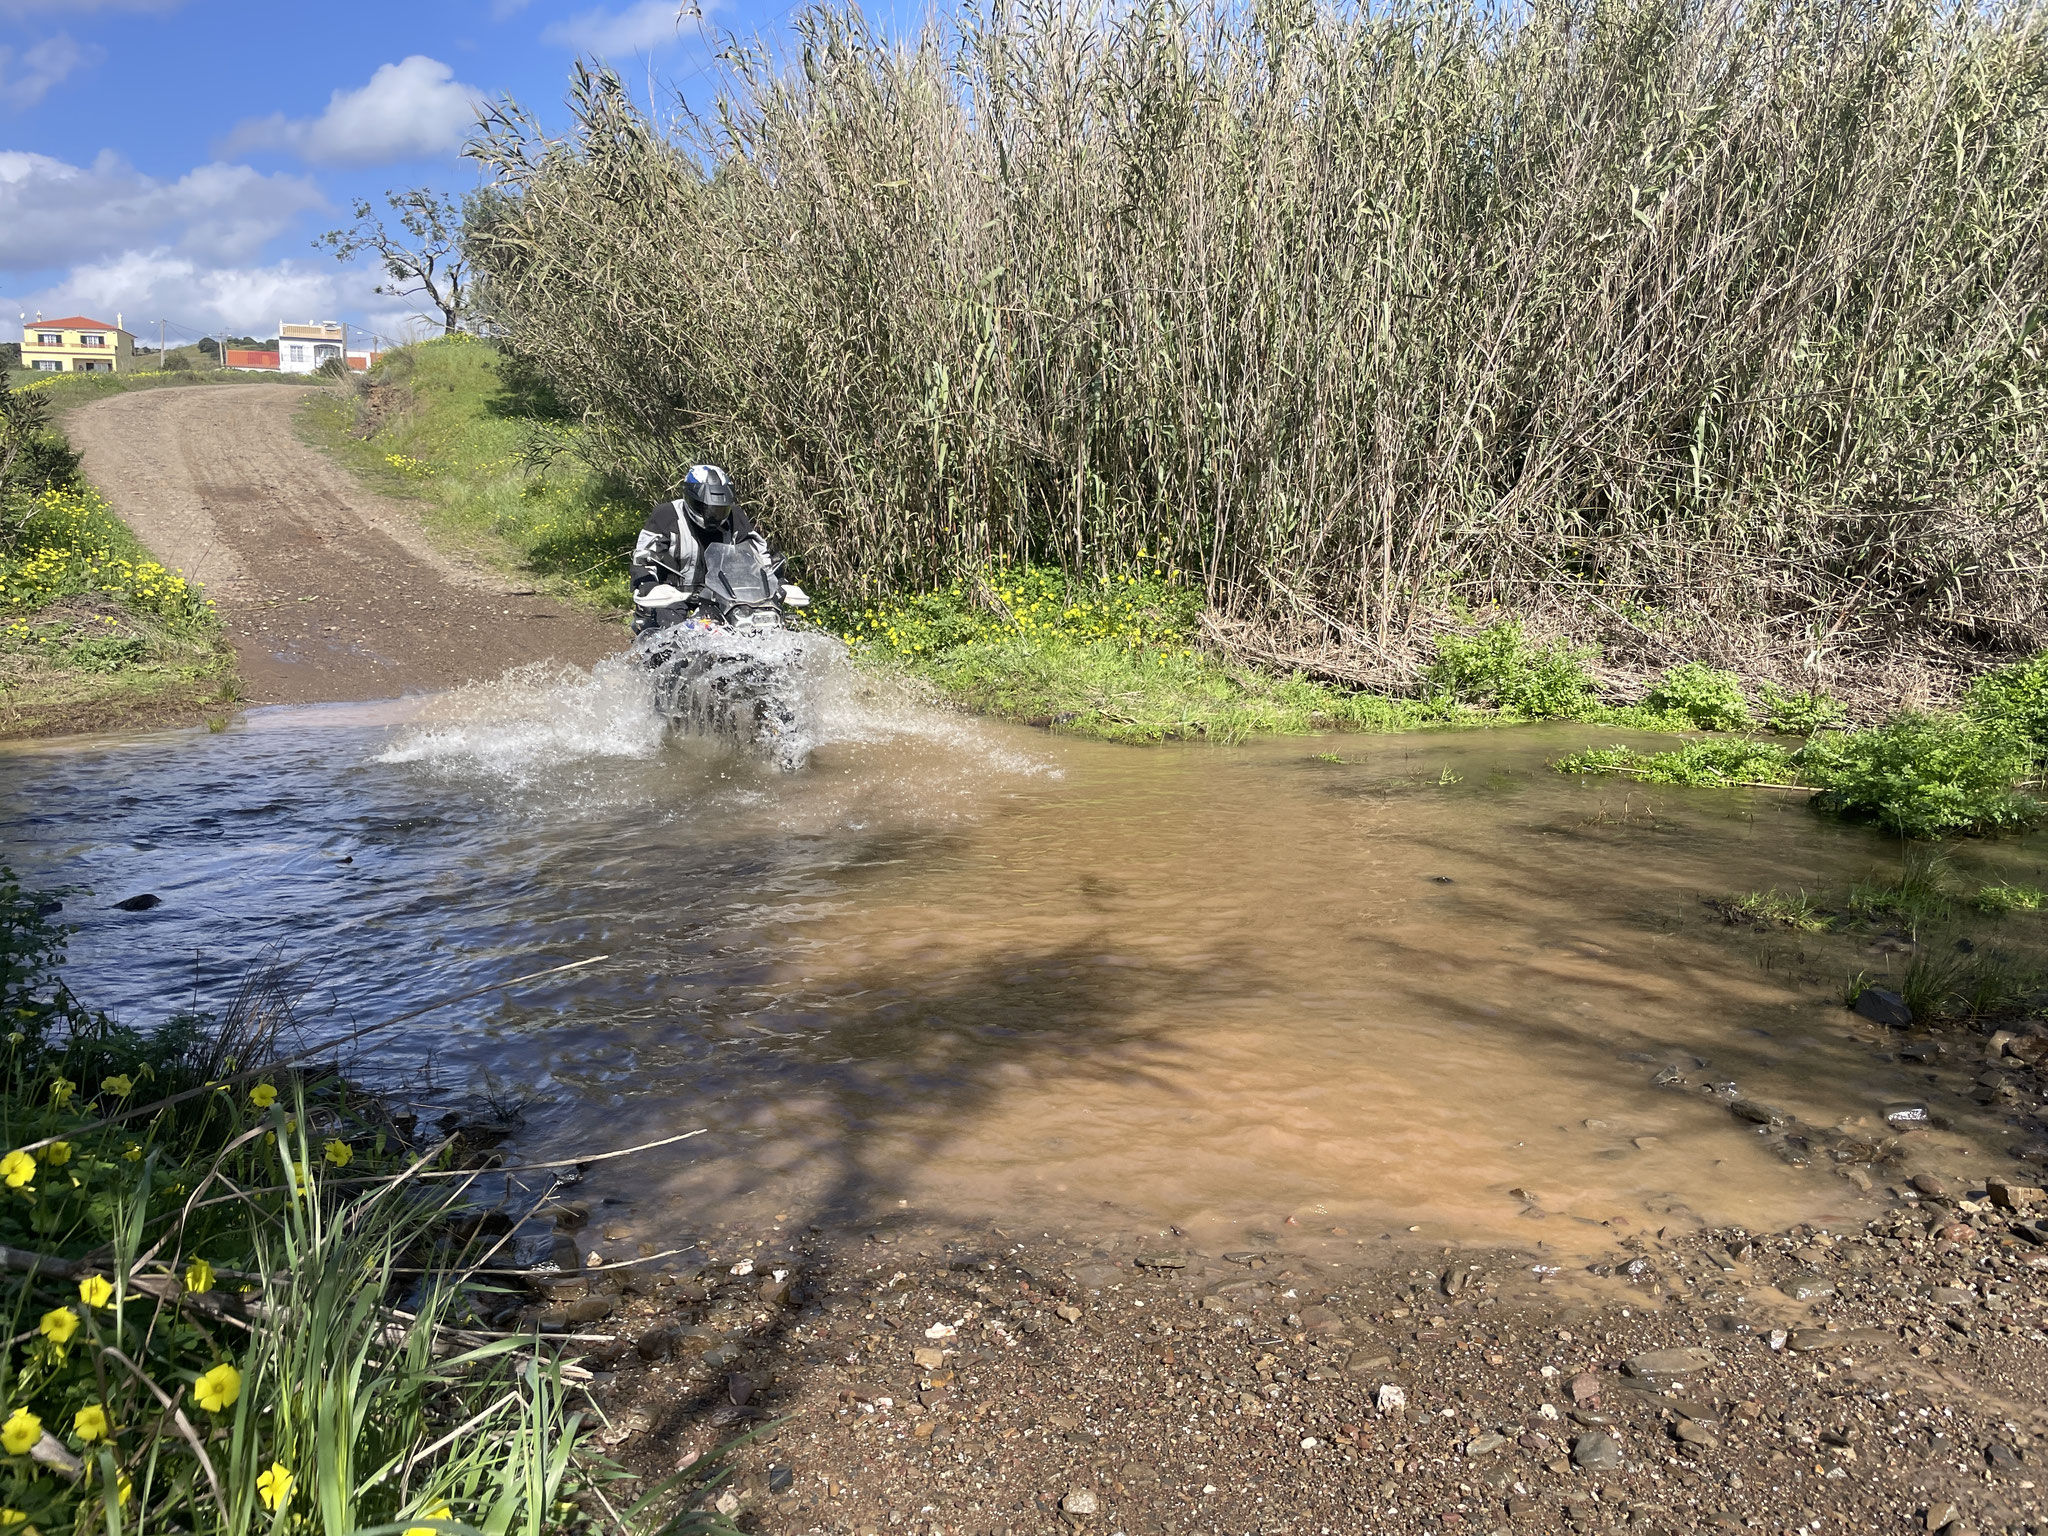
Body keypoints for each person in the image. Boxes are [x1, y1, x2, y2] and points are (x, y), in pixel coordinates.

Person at [631, 464, 776, 634]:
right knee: (674, 637)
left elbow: (758, 554)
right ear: (690, 499)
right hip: (673, 596)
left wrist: (777, 582)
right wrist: (649, 585)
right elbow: (644, 557)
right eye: (707, 508)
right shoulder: (666, 515)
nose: (713, 516)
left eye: (720, 510)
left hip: (723, 598)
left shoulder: (735, 517)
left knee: (758, 631)